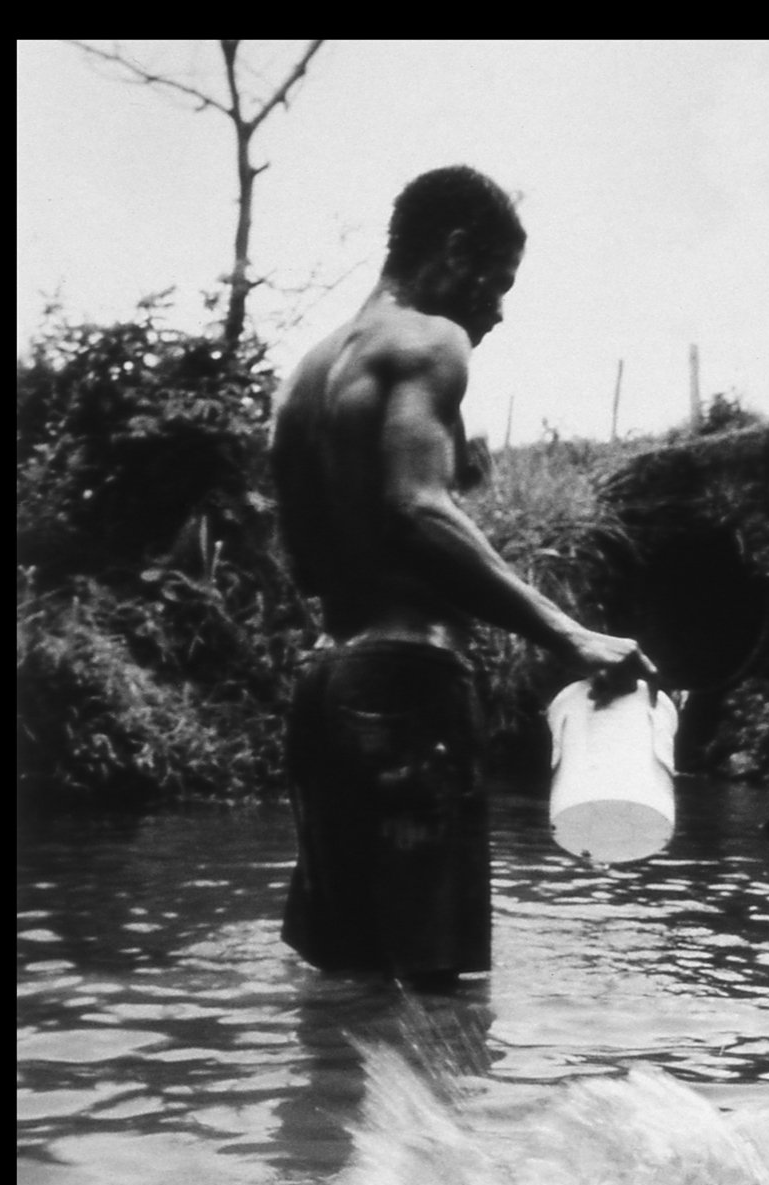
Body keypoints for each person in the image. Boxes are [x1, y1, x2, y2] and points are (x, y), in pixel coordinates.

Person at [270, 166, 654, 983]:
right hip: (408, 691)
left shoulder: (305, 377)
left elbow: (316, 555)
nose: (498, 310)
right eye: (498, 282)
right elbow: (415, 511)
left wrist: (453, 488)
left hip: (324, 693)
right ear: (453, 253)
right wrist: (569, 634)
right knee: (440, 996)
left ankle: (322, 1114)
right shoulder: (429, 340)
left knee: (344, 986)